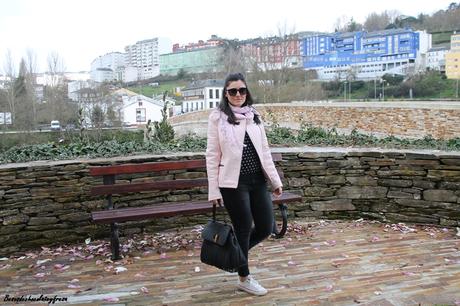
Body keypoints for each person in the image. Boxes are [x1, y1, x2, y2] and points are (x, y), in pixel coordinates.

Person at [206, 73, 283, 296]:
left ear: (246, 92)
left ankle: (233, 257)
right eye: (233, 91)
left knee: (266, 226)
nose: (238, 94)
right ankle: (244, 277)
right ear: (225, 93)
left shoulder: (254, 116)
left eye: (242, 90)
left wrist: (275, 181)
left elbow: (265, 151)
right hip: (233, 183)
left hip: (257, 181)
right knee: (242, 228)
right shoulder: (217, 118)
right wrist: (214, 190)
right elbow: (212, 155)